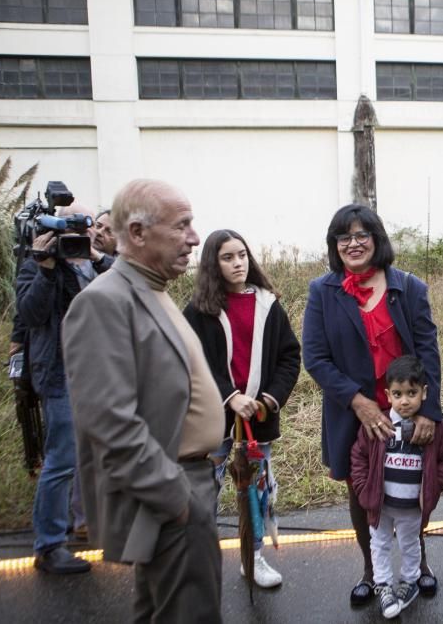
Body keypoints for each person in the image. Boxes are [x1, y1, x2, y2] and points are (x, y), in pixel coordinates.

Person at [62, 180, 225, 622]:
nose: (194, 238)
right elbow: (109, 422)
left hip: (187, 484)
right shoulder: (104, 301)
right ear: (136, 233)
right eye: (182, 226)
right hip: (172, 491)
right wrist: (176, 499)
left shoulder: (153, 290)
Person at [302, 203, 443, 606]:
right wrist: (358, 402)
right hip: (354, 416)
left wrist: (429, 412)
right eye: (344, 237)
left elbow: (429, 353)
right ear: (335, 246)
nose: (353, 243)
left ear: (377, 239)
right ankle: (371, 569)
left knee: (414, 489)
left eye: (362, 234)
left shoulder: (409, 288)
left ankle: (419, 566)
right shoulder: (322, 292)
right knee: (363, 493)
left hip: (409, 412)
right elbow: (315, 358)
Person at [183, 229, 301, 589]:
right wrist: (229, 395)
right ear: (212, 264)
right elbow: (192, 360)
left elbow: (289, 356)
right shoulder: (199, 310)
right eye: (228, 258)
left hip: (257, 422)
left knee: (255, 490)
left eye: (242, 255)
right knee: (204, 492)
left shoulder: (268, 303)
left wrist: (268, 399)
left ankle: (254, 558)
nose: (238, 264)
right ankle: (198, 560)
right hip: (212, 420)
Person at [16, 201, 111, 573]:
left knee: (101, 456)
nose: (75, 239)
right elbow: (31, 315)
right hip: (60, 374)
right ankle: (49, 545)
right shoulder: (37, 266)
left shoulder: (98, 263)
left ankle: (100, 526)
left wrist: (97, 257)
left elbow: (130, 289)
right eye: (66, 233)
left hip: (102, 374)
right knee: (61, 460)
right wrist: (45, 269)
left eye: (81, 230)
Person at [351, 355, 443, 619]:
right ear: (387, 394)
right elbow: (359, 457)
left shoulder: (434, 428)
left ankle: (409, 583)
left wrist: (434, 487)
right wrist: (364, 490)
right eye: (397, 394)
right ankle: (383, 585)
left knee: (410, 545)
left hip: (412, 508)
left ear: (424, 392)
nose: (405, 400)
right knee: (380, 544)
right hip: (381, 505)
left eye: (412, 393)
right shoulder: (379, 424)